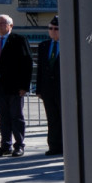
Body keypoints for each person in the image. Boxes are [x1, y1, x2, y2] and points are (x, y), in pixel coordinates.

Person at [0, 13, 33, 157]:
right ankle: (5, 145)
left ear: (10, 26)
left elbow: (27, 63)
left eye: (3, 23)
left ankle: (19, 145)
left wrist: (25, 86)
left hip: (15, 87)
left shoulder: (19, 40)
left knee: (16, 116)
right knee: (3, 117)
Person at [35, 16, 63, 156]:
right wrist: (38, 88)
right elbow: (40, 69)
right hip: (48, 89)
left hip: (64, 89)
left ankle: (66, 144)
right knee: (52, 118)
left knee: (64, 118)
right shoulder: (44, 45)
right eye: (50, 28)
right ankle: (54, 145)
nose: (53, 31)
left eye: (56, 29)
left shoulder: (69, 44)